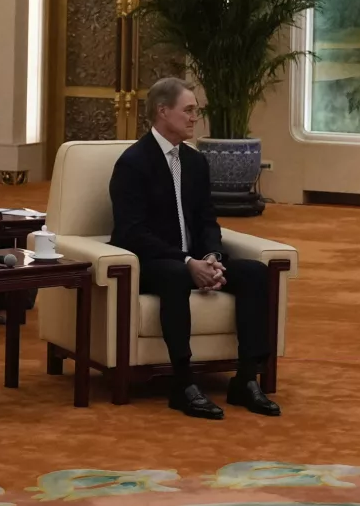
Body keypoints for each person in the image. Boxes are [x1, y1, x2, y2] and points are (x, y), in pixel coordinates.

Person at [106, 77, 278, 421]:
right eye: (188, 110)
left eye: (195, 111)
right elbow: (131, 232)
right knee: (174, 276)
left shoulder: (196, 162)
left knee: (256, 273)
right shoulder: (133, 163)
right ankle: (183, 383)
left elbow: (207, 221)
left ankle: (246, 378)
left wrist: (212, 257)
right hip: (152, 263)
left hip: (195, 259)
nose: (194, 117)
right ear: (162, 111)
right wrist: (187, 262)